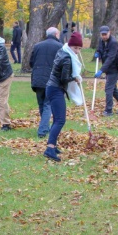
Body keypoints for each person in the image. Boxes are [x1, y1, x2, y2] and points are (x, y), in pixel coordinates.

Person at [43, 34, 84, 162]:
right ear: (70, 46)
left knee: (57, 119)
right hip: (55, 89)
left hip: (52, 88)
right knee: (60, 120)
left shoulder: (63, 51)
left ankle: (53, 146)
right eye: (76, 48)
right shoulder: (67, 57)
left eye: (79, 49)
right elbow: (64, 78)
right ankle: (49, 149)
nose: (77, 51)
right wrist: (75, 78)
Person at [30, 27, 63, 138]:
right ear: (56, 34)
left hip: (37, 79)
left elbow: (31, 62)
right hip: (51, 80)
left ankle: (44, 126)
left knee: (42, 104)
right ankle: (43, 130)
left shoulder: (37, 46)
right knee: (47, 105)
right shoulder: (60, 46)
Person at [95, 25, 118, 116]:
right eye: (102, 34)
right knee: (113, 89)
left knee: (108, 89)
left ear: (109, 33)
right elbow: (100, 49)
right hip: (108, 68)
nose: (104, 36)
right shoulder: (101, 40)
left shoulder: (114, 43)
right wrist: (97, 53)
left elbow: (110, 58)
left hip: (114, 68)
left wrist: (101, 70)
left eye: (105, 34)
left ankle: (108, 110)